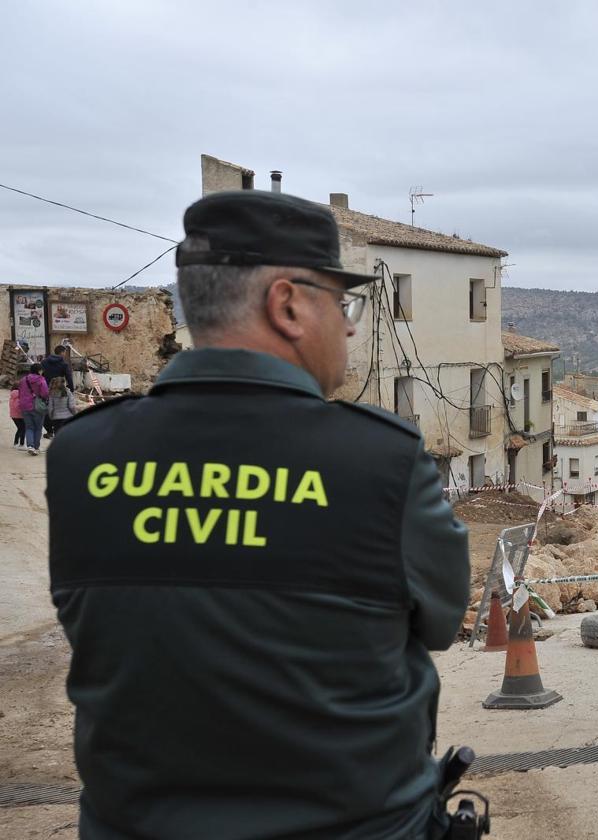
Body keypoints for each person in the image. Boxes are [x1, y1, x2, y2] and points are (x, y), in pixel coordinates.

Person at [46, 190, 470, 839]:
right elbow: (441, 623)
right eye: (343, 302)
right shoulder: (382, 462)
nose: (350, 326)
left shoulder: (79, 456)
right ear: (289, 304)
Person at [17, 363, 49, 455]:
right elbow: (45, 393)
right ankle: (35, 447)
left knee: (29, 427)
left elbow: (20, 392)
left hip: (25, 406)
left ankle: (30, 446)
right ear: (39, 370)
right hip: (37, 406)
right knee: (38, 428)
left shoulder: (23, 379)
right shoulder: (41, 379)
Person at [7, 380, 25, 448]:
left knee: (20, 428)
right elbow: (17, 406)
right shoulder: (19, 395)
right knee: (23, 428)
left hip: (13, 415)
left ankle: (16, 442)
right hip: (19, 415)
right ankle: (21, 444)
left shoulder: (12, 395)